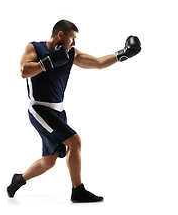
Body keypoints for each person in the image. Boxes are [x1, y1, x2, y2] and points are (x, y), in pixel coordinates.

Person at [7, 19, 141, 203]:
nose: (74, 43)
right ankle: (78, 191)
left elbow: (98, 62)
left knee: (49, 161)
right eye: (72, 38)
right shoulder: (35, 48)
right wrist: (49, 62)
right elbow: (24, 70)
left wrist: (123, 54)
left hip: (58, 111)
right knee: (75, 141)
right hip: (39, 110)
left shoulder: (71, 53)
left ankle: (18, 180)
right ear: (60, 35)